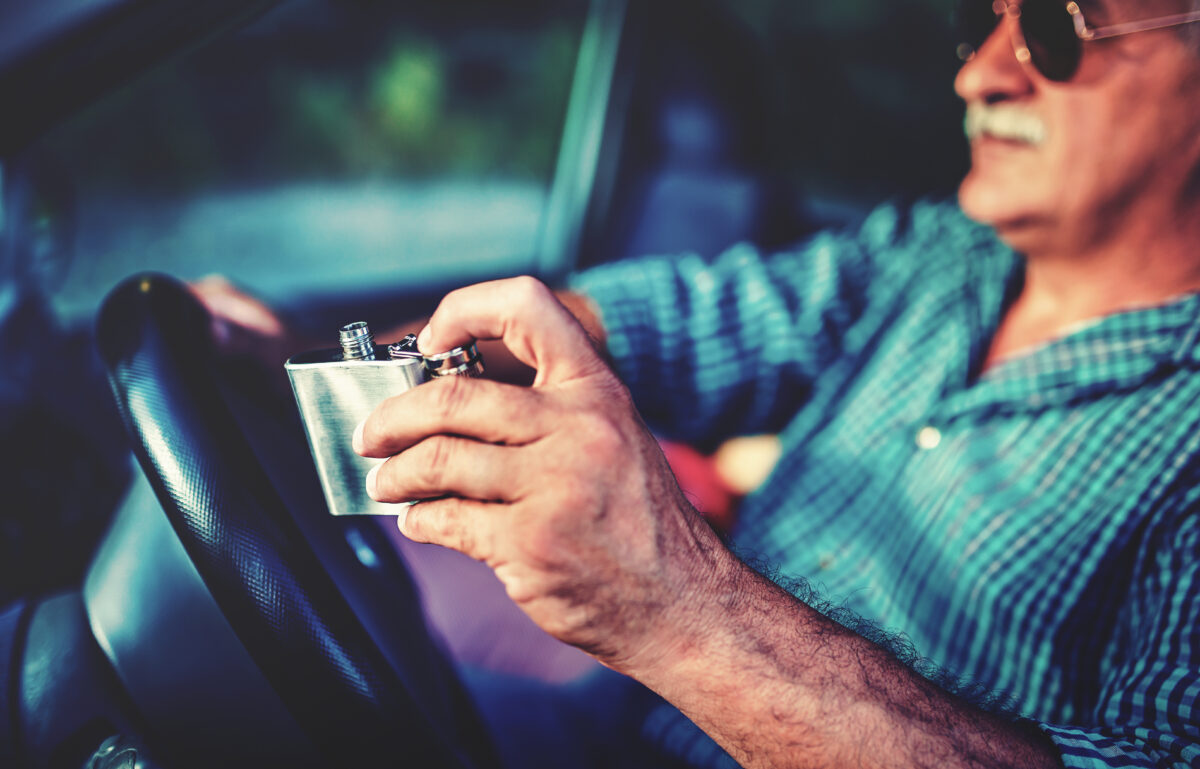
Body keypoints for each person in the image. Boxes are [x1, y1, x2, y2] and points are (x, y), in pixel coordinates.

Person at [201, 0, 1200, 766]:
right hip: (623, 732)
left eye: (1058, 33)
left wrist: (674, 602)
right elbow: (664, 325)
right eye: (984, 24)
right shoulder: (935, 257)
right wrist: (343, 369)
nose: (982, 75)